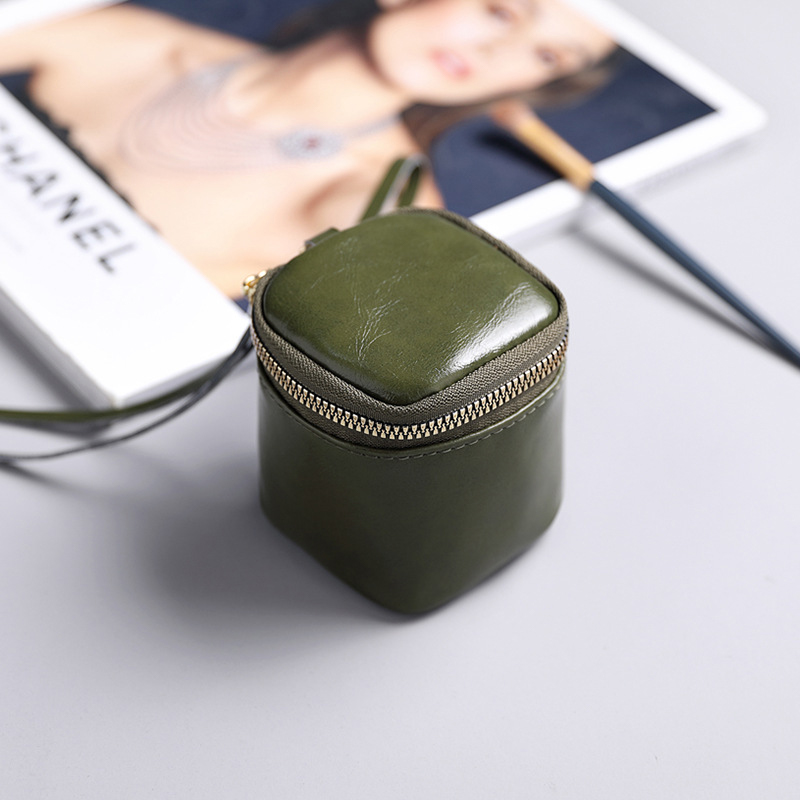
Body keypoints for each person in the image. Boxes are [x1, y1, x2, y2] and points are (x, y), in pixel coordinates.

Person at [0, 0, 615, 296]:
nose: (495, 52)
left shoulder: (382, 206)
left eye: (548, 56)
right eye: (501, 10)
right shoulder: (123, 36)